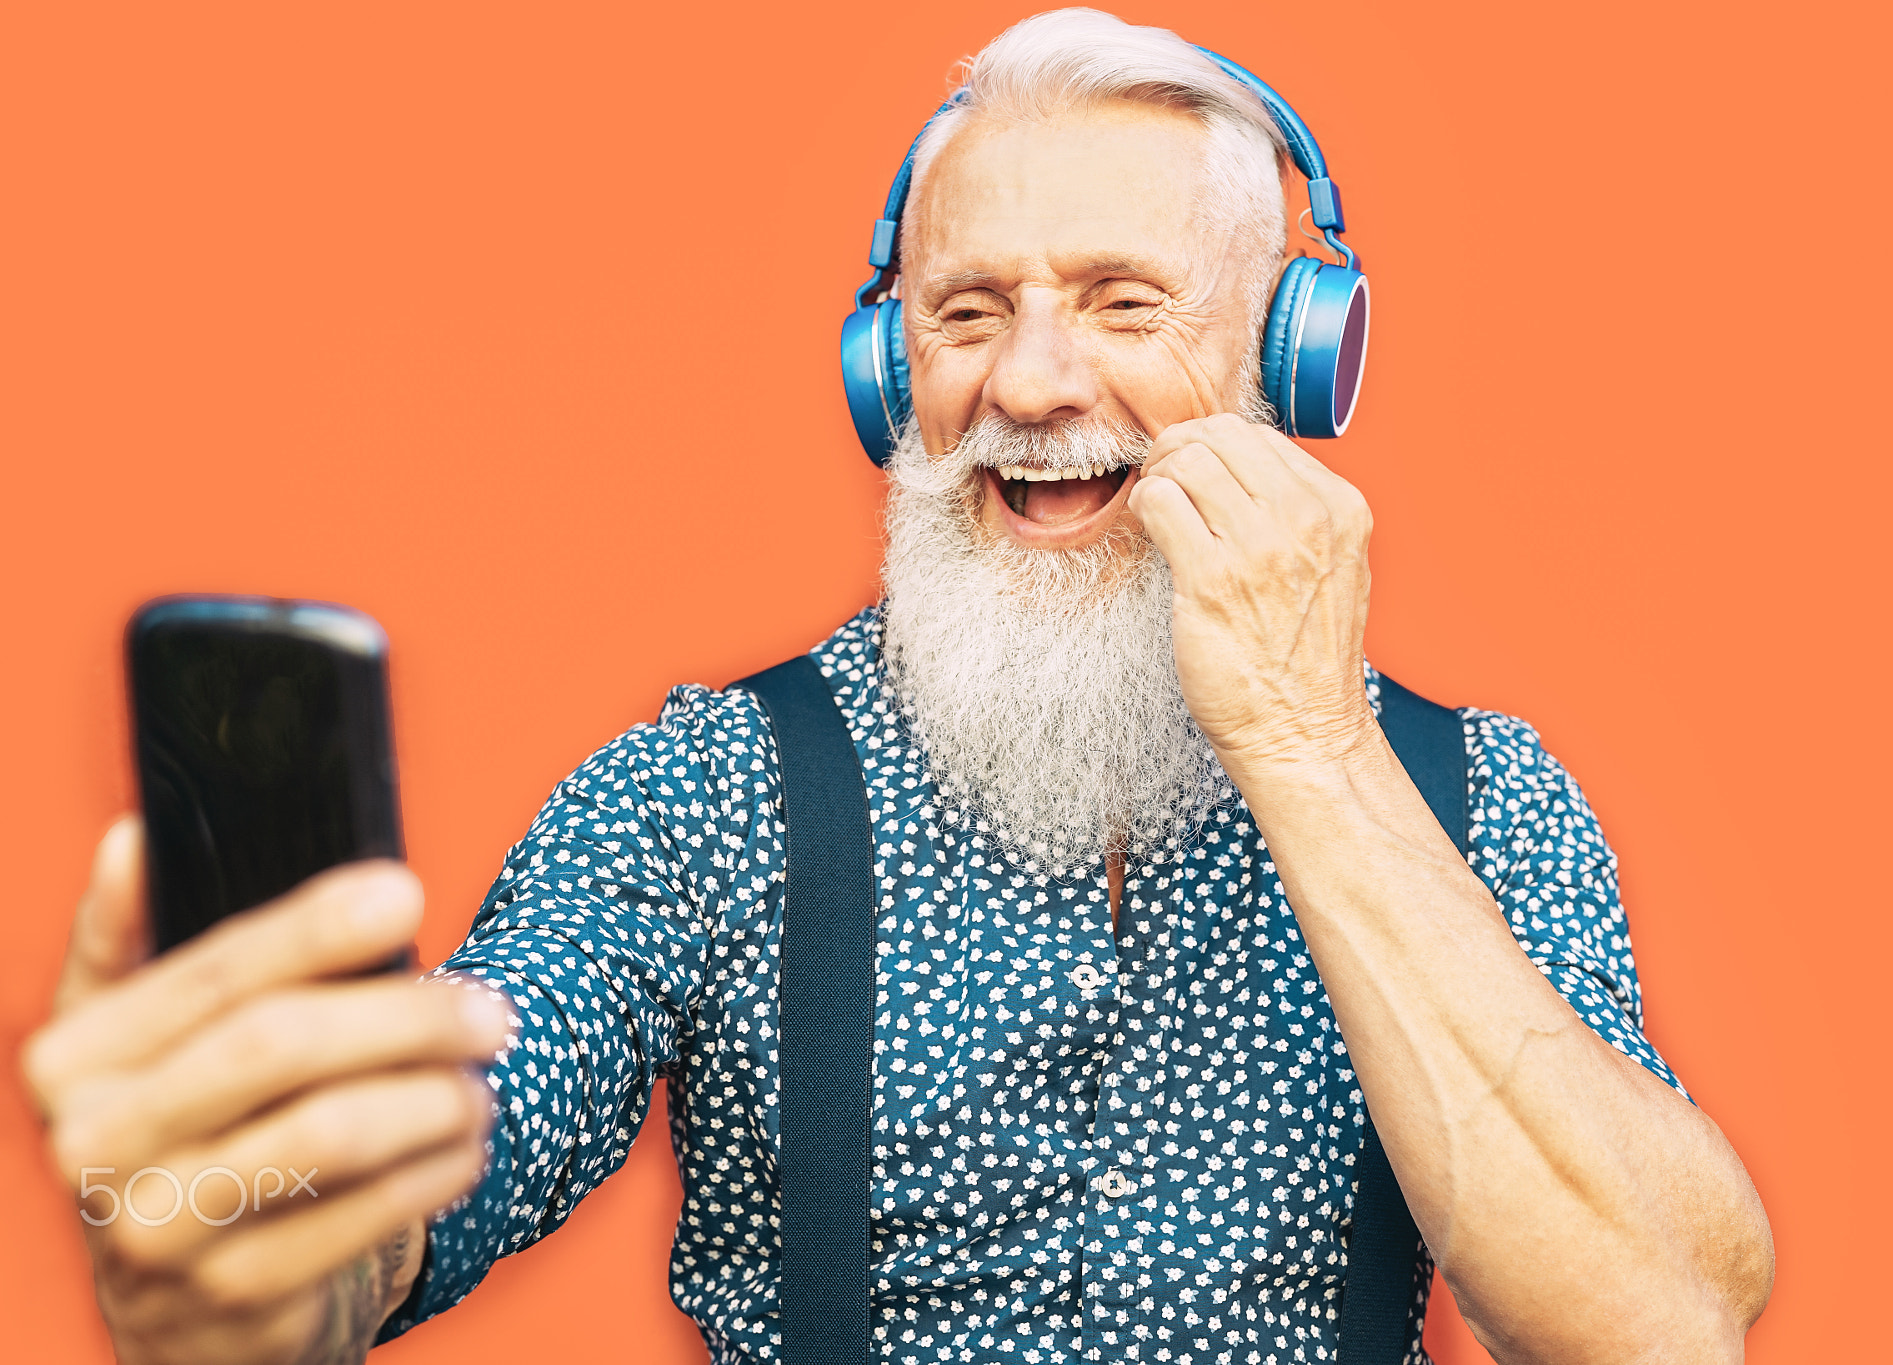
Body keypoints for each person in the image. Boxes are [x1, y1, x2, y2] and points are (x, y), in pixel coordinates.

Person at [21, 10, 1773, 1364]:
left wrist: (1308, 743)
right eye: (964, 312)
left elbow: (1661, 1320)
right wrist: (246, 1220)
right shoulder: (708, 789)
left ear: (1292, 360)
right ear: (889, 375)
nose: (1028, 379)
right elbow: (413, 1185)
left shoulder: (1484, 798)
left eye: (1122, 302)